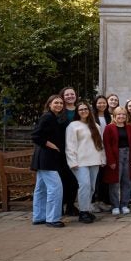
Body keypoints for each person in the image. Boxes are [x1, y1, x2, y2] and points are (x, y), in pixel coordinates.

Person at [30, 95, 68, 227]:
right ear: (49, 104)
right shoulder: (47, 117)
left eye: (61, 103)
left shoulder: (54, 117)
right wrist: (53, 146)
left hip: (44, 158)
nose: (59, 105)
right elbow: (36, 136)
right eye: (56, 103)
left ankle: (39, 216)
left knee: (41, 189)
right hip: (47, 158)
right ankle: (52, 218)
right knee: (55, 188)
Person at [66, 102, 107, 223]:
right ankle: (82, 212)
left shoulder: (95, 126)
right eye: (81, 109)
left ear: (89, 111)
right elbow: (70, 145)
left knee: (92, 187)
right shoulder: (73, 126)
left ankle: (87, 209)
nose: (83, 111)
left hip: (94, 160)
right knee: (84, 185)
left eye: (85, 109)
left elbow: (100, 145)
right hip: (80, 162)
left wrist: (103, 159)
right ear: (77, 112)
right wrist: (72, 161)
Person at [103, 107, 131, 215]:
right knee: (114, 182)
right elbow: (107, 145)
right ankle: (115, 206)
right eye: (119, 114)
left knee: (127, 182)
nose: (121, 116)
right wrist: (111, 161)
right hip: (115, 156)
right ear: (114, 116)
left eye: (123, 114)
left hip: (128, 155)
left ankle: (124, 204)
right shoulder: (109, 128)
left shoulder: (129, 128)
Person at [58, 87, 80, 216]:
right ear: (62, 96)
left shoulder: (79, 110)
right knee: (62, 179)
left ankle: (70, 205)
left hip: (77, 150)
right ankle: (59, 205)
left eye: (72, 94)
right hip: (61, 149)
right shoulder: (60, 110)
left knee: (74, 179)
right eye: (67, 94)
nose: (70, 96)